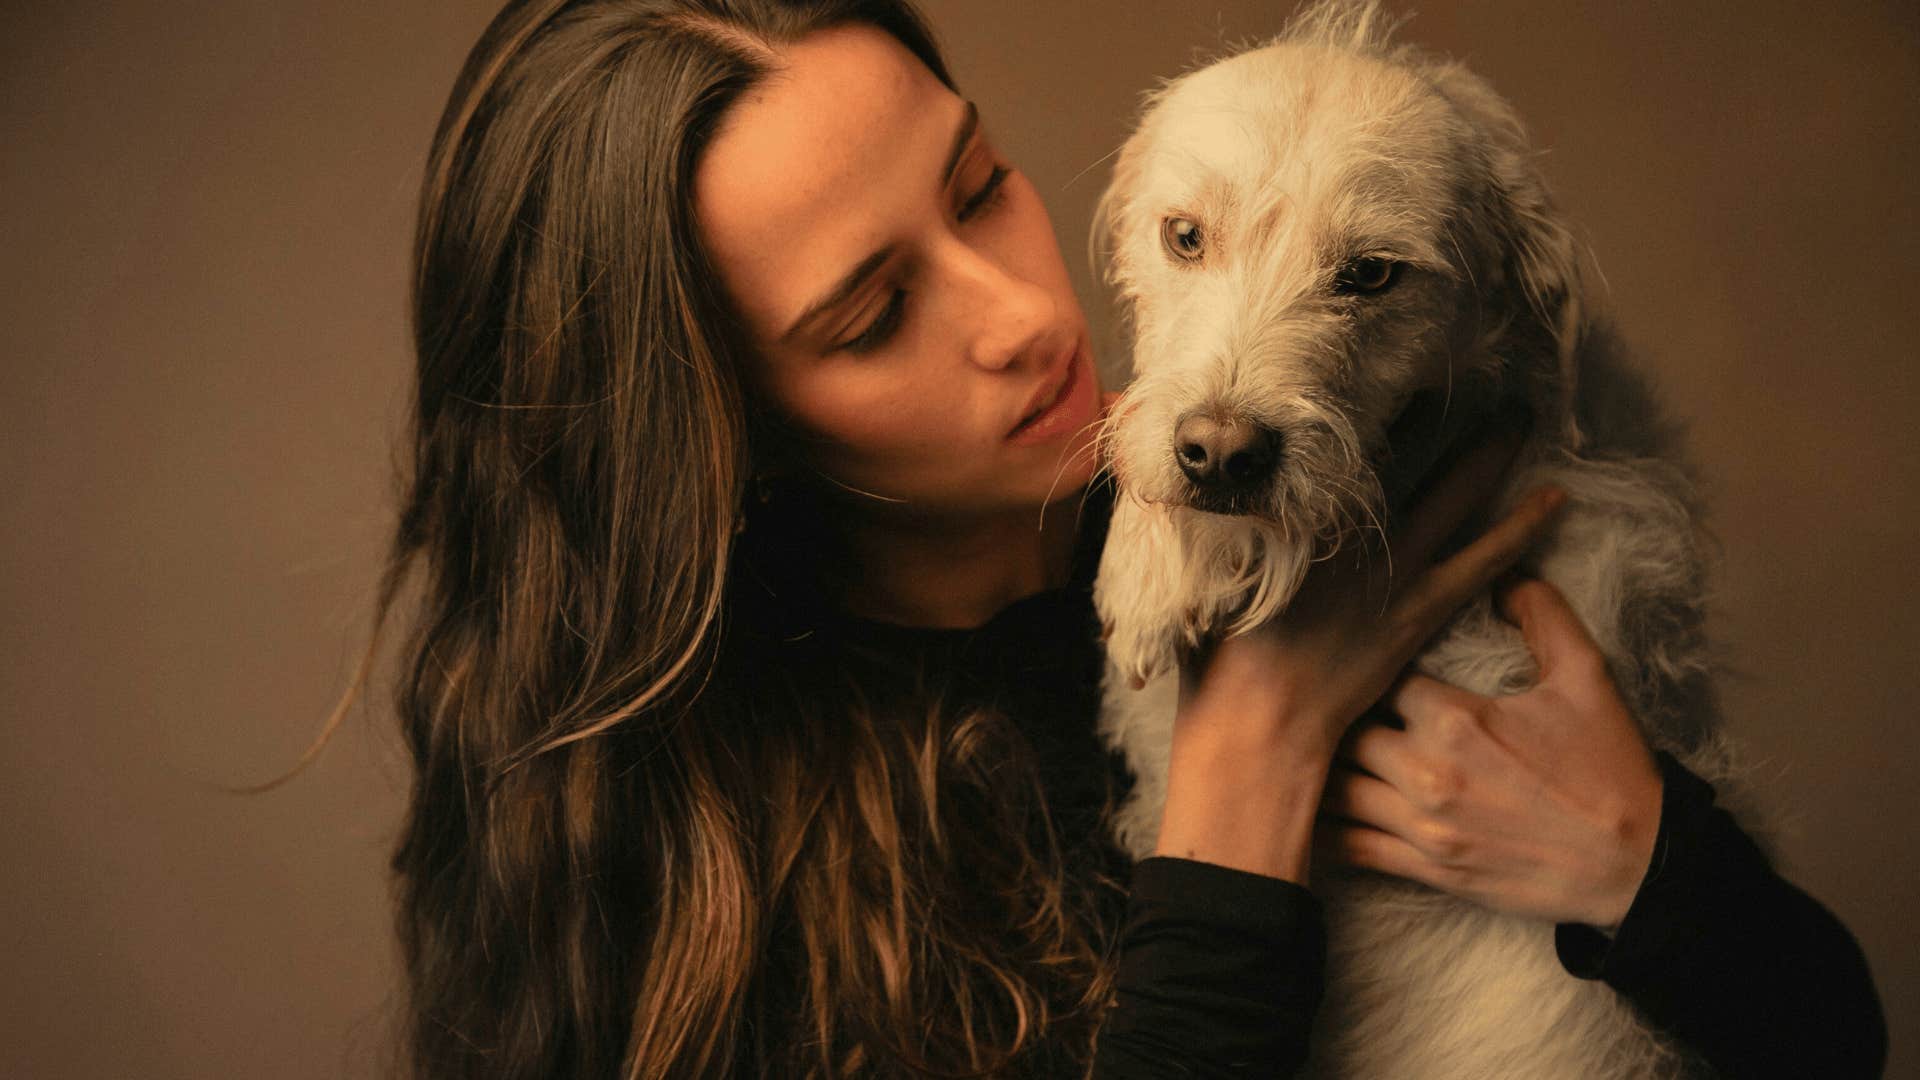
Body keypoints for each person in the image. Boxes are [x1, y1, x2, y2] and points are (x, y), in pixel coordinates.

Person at [367, 0, 1887, 1075]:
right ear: (715, 438)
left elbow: (1828, 1038)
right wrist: (1243, 778)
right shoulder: (686, 892)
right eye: (877, 312)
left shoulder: (1321, 495)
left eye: (982, 186)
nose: (1026, 317)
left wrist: (1652, 869)